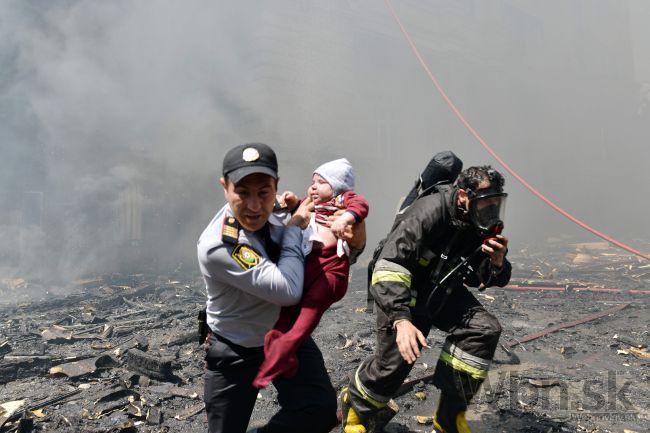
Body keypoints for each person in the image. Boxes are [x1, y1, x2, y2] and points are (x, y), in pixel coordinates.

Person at [340, 166, 512, 433]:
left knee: (483, 330)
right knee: (395, 364)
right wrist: (400, 319)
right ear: (464, 196)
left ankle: (449, 417)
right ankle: (354, 407)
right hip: (403, 288)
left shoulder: (478, 220)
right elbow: (390, 264)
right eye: (486, 203)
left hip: (441, 288)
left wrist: (497, 263)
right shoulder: (429, 211)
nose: (491, 210)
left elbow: (477, 277)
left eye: (496, 203)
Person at [197, 142, 343, 433]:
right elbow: (288, 290)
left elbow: (329, 248)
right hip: (237, 345)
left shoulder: (281, 209)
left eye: (263, 192)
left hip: (283, 334)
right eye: (242, 193)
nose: (254, 206)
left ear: (275, 186)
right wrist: (293, 230)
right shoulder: (219, 244)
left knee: (321, 410)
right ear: (224, 187)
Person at [253, 158, 369, 388]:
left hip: (328, 268)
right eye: (312, 182)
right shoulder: (243, 228)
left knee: (309, 307)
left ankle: (287, 345)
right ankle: (280, 347)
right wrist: (293, 206)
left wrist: (348, 223)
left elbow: (360, 208)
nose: (313, 187)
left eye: (320, 182)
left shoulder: (341, 201)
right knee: (291, 307)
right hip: (266, 304)